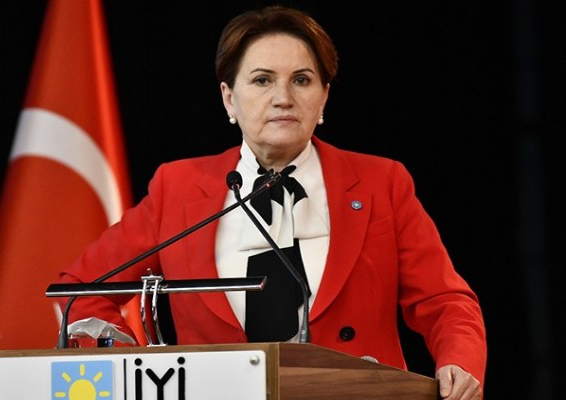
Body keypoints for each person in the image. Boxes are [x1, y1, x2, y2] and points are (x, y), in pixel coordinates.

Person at [57, 5, 486, 399]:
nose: (283, 97)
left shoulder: (380, 183)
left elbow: (444, 301)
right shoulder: (180, 187)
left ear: (324, 97)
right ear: (229, 97)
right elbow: (79, 292)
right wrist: (133, 362)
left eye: (301, 80)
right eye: (262, 80)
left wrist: (460, 362)